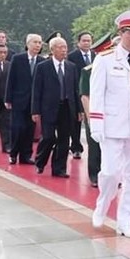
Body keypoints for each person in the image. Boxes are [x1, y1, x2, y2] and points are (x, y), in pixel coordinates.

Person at [90, 10, 130, 239]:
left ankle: (126, 221)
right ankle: (102, 205)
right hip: (112, 124)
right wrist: (96, 124)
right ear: (121, 32)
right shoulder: (105, 59)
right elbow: (96, 93)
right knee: (110, 172)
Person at [31, 35, 82, 178]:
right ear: (52, 49)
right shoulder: (43, 67)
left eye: (65, 47)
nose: (63, 50)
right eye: (60, 47)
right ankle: (40, 162)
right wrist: (35, 110)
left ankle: (59, 168)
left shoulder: (71, 67)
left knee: (64, 140)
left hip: (67, 107)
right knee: (48, 137)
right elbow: (37, 89)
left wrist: (79, 109)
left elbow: (75, 90)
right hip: (48, 108)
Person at [79, 33, 114, 187]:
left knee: (111, 148)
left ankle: (111, 176)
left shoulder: (117, 68)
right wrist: (91, 117)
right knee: (95, 147)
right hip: (95, 114)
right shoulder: (88, 70)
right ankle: (94, 175)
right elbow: (85, 96)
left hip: (112, 115)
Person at [4, 34, 44, 165]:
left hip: (34, 103)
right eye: (35, 42)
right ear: (28, 44)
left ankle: (26, 155)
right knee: (18, 127)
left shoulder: (41, 61)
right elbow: (11, 79)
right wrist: (8, 98)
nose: (38, 45)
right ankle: (13, 153)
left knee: (30, 129)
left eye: (40, 43)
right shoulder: (18, 59)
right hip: (18, 100)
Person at [67, 31, 95, 159]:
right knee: (76, 121)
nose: (86, 43)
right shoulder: (72, 56)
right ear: (78, 42)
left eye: (89, 40)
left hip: (93, 93)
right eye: (84, 40)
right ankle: (76, 147)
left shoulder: (96, 56)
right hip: (77, 92)